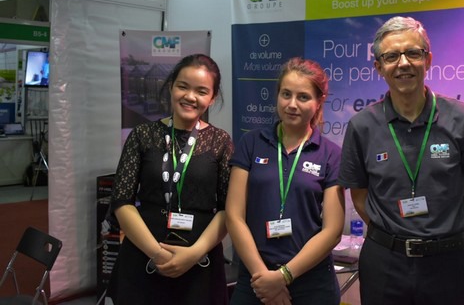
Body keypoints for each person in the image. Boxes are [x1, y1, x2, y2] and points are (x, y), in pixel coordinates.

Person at [338, 16, 464, 305]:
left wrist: (447, 239)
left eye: (413, 53)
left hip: (447, 264)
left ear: (428, 60)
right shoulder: (362, 126)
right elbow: (359, 196)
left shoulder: (463, 118)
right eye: (391, 56)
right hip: (384, 263)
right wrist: (393, 237)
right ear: (379, 67)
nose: (403, 63)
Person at [110, 53, 233, 305]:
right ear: (170, 87)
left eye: (201, 91)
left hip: (200, 262)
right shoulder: (142, 134)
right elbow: (122, 201)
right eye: (183, 86)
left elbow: (228, 209)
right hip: (144, 257)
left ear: (212, 98)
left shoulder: (220, 142)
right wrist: (157, 254)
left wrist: (193, 254)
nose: (190, 96)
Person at [226, 57, 344, 305]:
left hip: (311, 282)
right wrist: (265, 279)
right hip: (256, 277)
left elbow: (332, 231)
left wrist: (283, 276)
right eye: (286, 94)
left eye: (303, 97)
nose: (292, 104)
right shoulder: (251, 143)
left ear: (319, 101)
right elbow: (234, 216)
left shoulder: (331, 154)